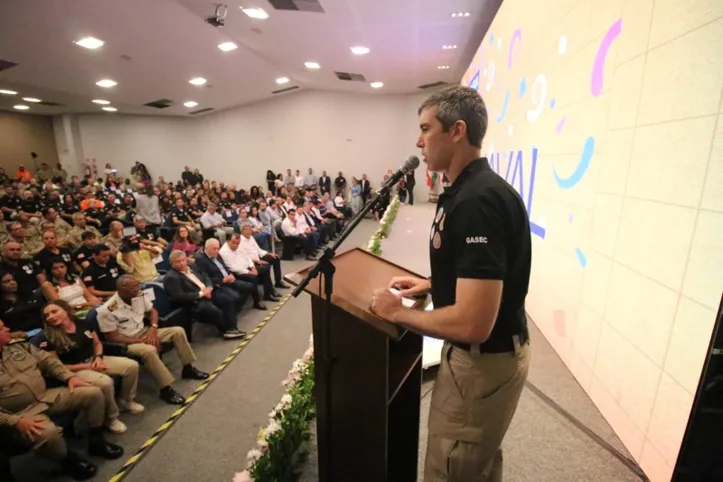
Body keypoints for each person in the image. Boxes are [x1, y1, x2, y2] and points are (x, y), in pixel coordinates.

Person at [370, 86, 532, 482]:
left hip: (481, 361)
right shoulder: (470, 190)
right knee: (475, 464)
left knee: (452, 467)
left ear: (457, 130)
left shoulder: (477, 201)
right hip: (489, 360)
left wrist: (395, 314)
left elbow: (473, 324)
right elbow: (483, 276)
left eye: (426, 129)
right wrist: (432, 284)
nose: (418, 141)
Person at [0, 320, 123, 481]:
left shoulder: (18, 347)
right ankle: (68, 461)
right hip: (21, 413)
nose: (8, 329)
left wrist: (69, 377)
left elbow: (48, 361)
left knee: (93, 393)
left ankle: (96, 441)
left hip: (46, 395)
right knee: (49, 434)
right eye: (2, 328)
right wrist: (15, 421)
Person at [96, 275, 209, 405]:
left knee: (178, 331)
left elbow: (153, 311)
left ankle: (188, 368)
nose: (138, 288)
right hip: (128, 341)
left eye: (138, 285)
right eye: (134, 287)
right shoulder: (107, 310)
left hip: (146, 331)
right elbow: (113, 337)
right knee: (149, 350)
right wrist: (142, 341)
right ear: (122, 289)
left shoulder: (138, 294)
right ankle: (165, 388)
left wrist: (153, 328)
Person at [41, 300, 144, 434]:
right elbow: (56, 366)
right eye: (47, 316)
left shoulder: (82, 323)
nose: (51, 317)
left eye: (54, 311)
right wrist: (86, 366)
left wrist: (99, 357)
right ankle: (111, 418)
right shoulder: (48, 337)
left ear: (66, 310)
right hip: (74, 370)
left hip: (94, 360)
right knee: (105, 382)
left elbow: (97, 343)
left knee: (131, 366)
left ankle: (126, 400)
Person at [163, 249, 248, 339]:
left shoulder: (192, 266)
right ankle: (226, 330)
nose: (182, 263)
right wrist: (201, 293)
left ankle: (232, 327)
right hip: (195, 301)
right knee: (215, 311)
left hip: (208, 292)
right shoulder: (171, 277)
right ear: (172, 263)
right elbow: (179, 296)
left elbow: (205, 276)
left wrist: (209, 288)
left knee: (227, 300)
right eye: (178, 262)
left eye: (183, 260)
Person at [238, 224, 289, 289]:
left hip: (258, 258)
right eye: (246, 230)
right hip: (251, 262)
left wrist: (269, 253)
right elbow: (244, 256)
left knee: (275, 258)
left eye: (250, 229)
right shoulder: (240, 241)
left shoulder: (251, 237)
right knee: (266, 266)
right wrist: (256, 260)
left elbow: (258, 250)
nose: (248, 231)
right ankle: (269, 288)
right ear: (241, 231)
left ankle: (278, 282)